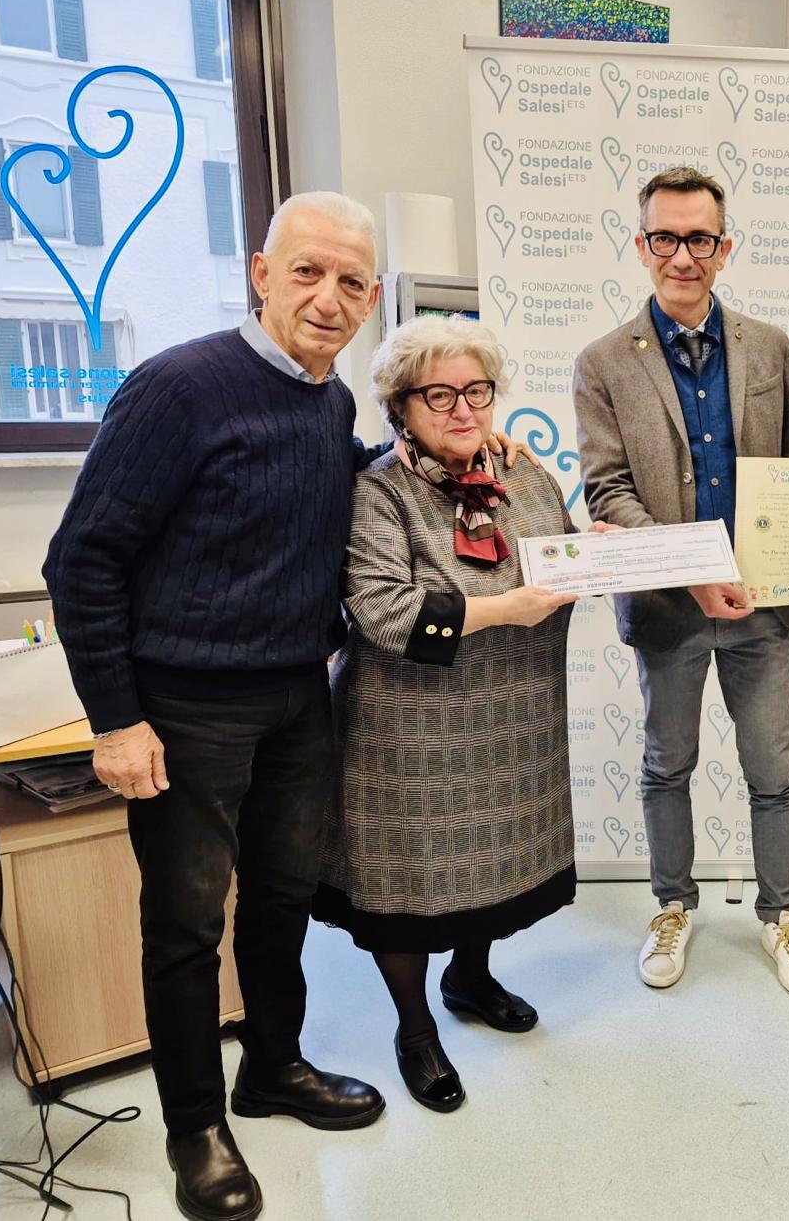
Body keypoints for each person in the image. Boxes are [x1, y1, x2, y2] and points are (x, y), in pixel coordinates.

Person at [42, 192, 533, 1221]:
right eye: (307, 271)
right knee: (185, 925)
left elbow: (323, 482)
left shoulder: (327, 399)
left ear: (370, 297)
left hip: (297, 693)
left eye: (351, 281)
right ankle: (195, 1129)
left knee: (279, 901)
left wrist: (456, 448)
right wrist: (116, 719)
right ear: (261, 273)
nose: (328, 297)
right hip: (186, 705)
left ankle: (272, 1067)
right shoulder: (177, 387)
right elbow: (82, 558)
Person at [574, 166, 789, 999]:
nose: (683, 255)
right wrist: (697, 574)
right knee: (667, 763)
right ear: (642, 245)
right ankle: (672, 905)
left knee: (774, 773)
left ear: (724, 247)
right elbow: (608, 493)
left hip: (761, 606)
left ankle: (782, 916)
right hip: (667, 608)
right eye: (665, 238)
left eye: (699, 239)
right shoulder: (603, 362)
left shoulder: (767, 347)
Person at [313, 317, 582, 1113]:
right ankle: (415, 1028)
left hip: (514, 718)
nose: (464, 409)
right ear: (400, 405)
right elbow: (383, 612)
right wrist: (504, 608)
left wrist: (596, 553)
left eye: (477, 391)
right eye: (439, 395)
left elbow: (561, 559)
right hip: (410, 730)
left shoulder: (524, 474)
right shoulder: (377, 491)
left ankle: (470, 977)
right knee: (408, 878)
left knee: (492, 861)